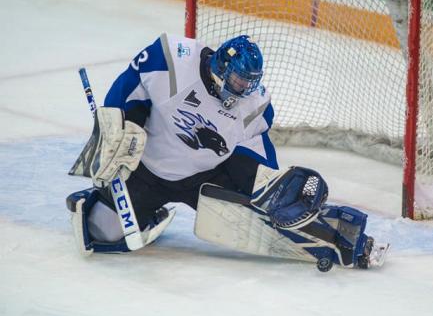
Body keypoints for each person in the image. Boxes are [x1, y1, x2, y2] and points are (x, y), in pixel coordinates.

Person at [66, 33, 388, 271]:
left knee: (274, 217)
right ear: (221, 65)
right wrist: (122, 128)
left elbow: (256, 148)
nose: (242, 89)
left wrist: (269, 187)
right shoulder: (171, 59)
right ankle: (140, 212)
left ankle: (347, 236)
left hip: (207, 176)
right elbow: (127, 89)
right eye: (237, 80)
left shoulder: (255, 104)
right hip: (147, 171)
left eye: (249, 83)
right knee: (101, 233)